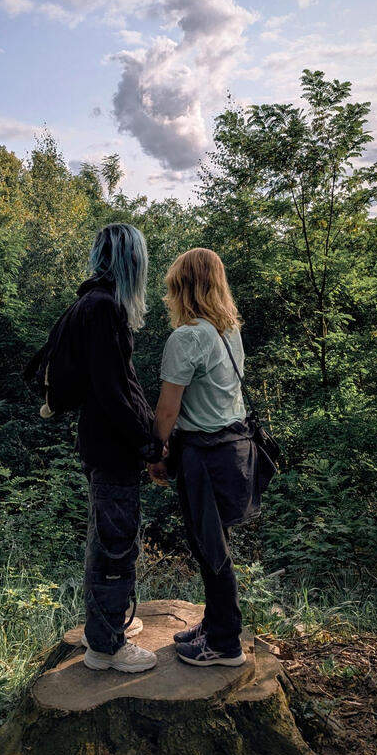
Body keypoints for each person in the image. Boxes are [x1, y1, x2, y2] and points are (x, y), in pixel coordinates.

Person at [148, 248, 260, 667]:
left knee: (210, 547)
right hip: (233, 447)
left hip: (203, 453)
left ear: (181, 288)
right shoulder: (228, 330)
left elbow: (167, 410)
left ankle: (225, 643)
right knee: (214, 543)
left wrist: (156, 452)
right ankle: (215, 624)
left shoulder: (188, 337)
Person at [72, 223, 161, 673]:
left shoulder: (94, 300)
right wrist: (148, 442)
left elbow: (121, 383)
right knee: (115, 546)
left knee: (106, 538)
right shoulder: (104, 307)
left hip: (101, 443)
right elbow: (113, 393)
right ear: (131, 259)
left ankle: (106, 628)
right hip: (111, 446)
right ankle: (106, 648)